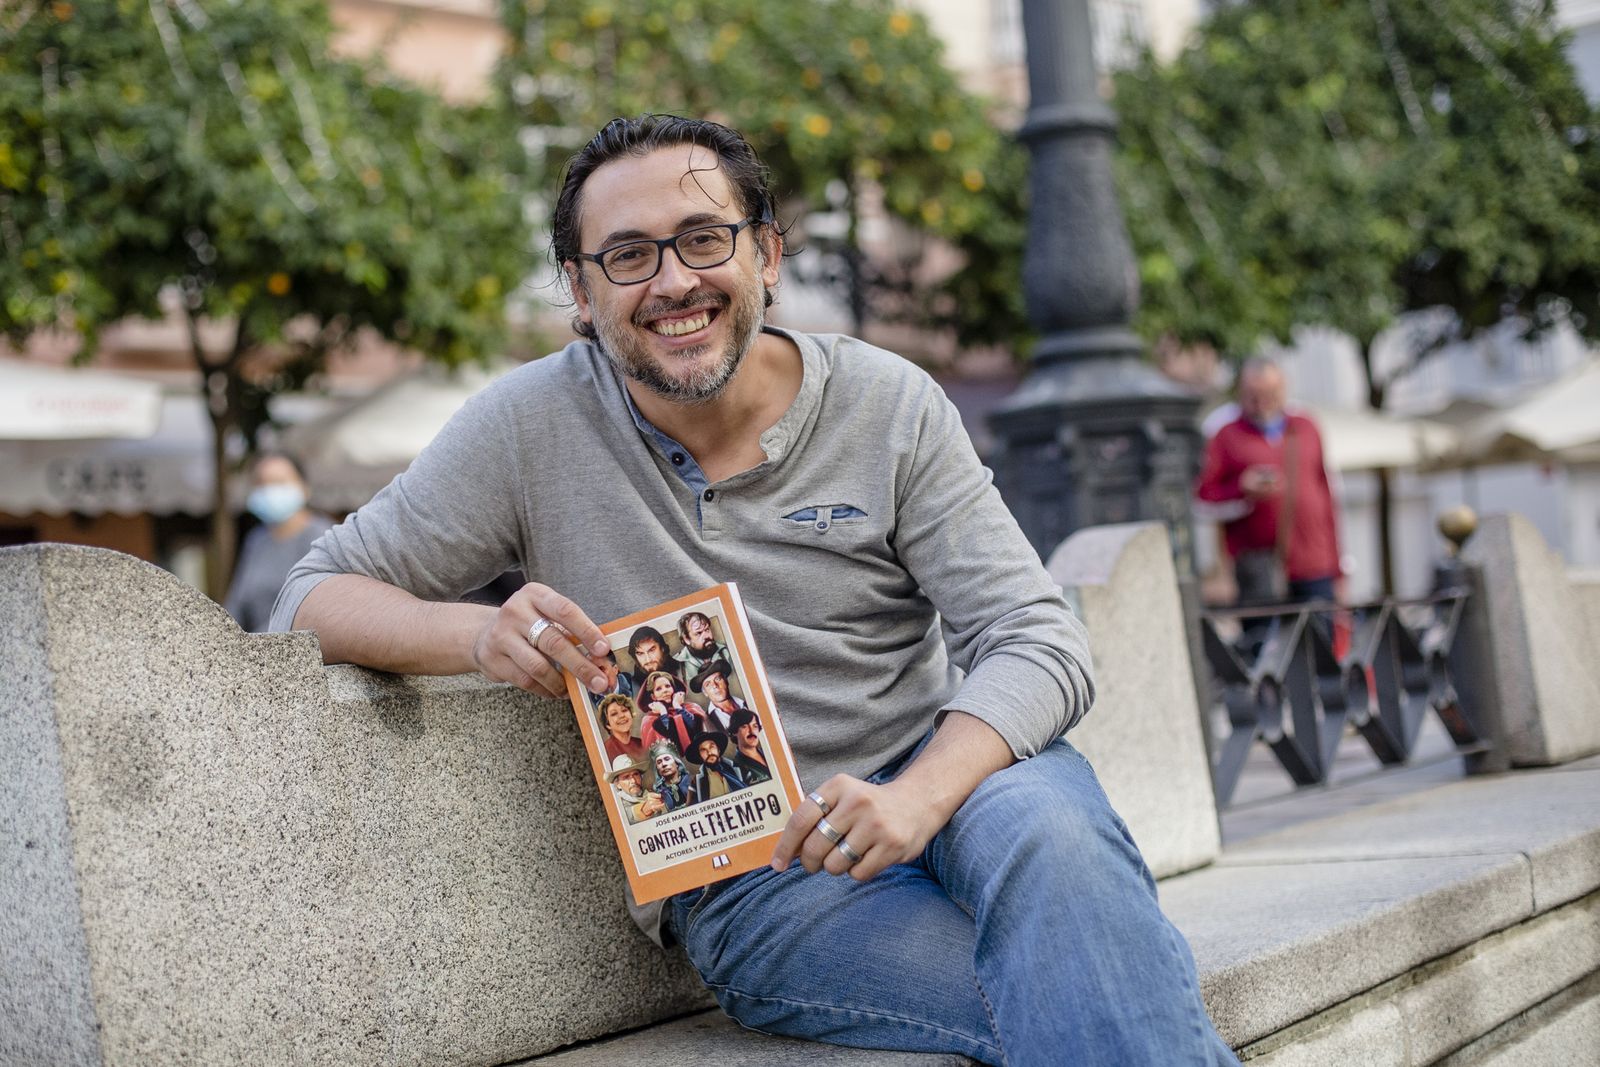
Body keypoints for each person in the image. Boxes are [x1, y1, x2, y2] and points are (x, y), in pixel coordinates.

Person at [272, 115, 1237, 1065]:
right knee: (1091, 984)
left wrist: (919, 798)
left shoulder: (889, 402)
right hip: (765, 880)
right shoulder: (526, 428)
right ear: (579, 288)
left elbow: (1039, 636)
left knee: (1053, 839)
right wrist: (476, 635)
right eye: (628, 257)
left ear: (767, 254)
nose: (673, 282)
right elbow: (308, 594)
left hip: (968, 782)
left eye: (703, 240)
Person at [1195, 358, 1342, 607]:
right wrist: (1242, 491)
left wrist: (1338, 564)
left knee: (1319, 640)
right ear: (1241, 393)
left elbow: (1327, 495)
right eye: (1253, 395)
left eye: (1270, 393)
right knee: (1267, 642)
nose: (1262, 402)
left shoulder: (1306, 427)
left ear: (1283, 389)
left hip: (1314, 562)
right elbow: (1203, 499)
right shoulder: (1225, 434)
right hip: (1259, 566)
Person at [224, 452, 332, 633]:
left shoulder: (322, 537)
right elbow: (237, 603)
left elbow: (323, 607)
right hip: (250, 649)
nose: (269, 490)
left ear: (304, 488)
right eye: (262, 483)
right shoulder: (256, 541)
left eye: (279, 482)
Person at [638, 669, 706, 754]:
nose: (665, 690)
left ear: (673, 689)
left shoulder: (692, 707)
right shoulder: (649, 720)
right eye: (659, 689)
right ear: (653, 696)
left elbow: (697, 728)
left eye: (668, 686)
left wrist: (678, 707)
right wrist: (663, 712)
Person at [685, 727, 745, 802]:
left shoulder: (739, 769)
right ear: (700, 756)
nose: (709, 753)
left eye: (711, 747)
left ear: (718, 750)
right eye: (703, 750)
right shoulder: (696, 782)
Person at [690, 659, 747, 733]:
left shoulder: (749, 703)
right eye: (708, 684)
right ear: (705, 693)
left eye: (717, 679)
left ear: (726, 681)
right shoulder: (706, 722)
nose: (715, 686)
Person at [607, 755, 665, 824]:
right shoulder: (617, 805)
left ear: (641, 777)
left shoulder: (651, 794)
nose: (633, 781)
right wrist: (644, 810)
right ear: (618, 784)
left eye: (635, 774)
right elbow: (626, 815)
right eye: (626, 777)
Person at [673, 611, 730, 682]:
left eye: (707, 629)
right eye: (699, 633)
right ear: (686, 639)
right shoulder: (676, 664)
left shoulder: (727, 652)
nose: (707, 636)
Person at [726, 709, 771, 787]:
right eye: (744, 726)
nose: (751, 731)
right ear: (734, 732)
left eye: (755, 726)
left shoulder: (771, 754)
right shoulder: (737, 769)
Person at [597, 693, 645, 765]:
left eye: (624, 710)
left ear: (631, 715)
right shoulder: (605, 751)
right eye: (614, 714)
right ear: (608, 724)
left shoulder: (641, 744)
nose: (621, 716)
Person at [649, 740, 694, 812]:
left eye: (667, 759)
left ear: (677, 763)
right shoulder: (657, 793)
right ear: (657, 769)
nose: (663, 764)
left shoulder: (693, 782)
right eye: (659, 762)